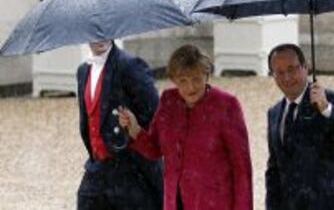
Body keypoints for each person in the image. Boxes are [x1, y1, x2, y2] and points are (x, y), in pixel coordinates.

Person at [118, 44, 253, 210]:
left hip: (215, 203)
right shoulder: (168, 101)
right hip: (175, 202)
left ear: (207, 76)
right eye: (183, 80)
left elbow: (241, 168)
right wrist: (135, 129)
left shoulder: (226, 105)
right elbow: (154, 149)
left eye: (196, 79)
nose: (191, 87)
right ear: (174, 80)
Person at [265, 43, 334, 210]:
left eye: (292, 69)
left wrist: (327, 109)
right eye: (279, 72)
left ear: (305, 67)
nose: (287, 77)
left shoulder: (333, 100)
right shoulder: (274, 113)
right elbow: (274, 170)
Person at [76, 40, 163, 210]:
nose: (100, 36)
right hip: (96, 167)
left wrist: (134, 126)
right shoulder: (82, 71)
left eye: (103, 28)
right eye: (94, 31)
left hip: (128, 167)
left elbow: (155, 113)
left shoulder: (129, 66)